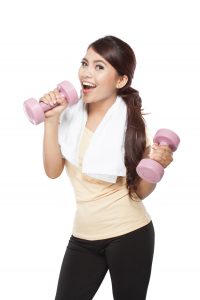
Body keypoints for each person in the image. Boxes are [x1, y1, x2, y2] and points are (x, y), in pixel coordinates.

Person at [40, 36, 173, 300]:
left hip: (130, 234)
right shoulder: (68, 114)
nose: (87, 73)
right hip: (83, 237)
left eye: (100, 67)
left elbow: (141, 192)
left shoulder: (133, 126)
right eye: (85, 63)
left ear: (120, 81)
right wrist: (51, 120)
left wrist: (157, 163)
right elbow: (53, 171)